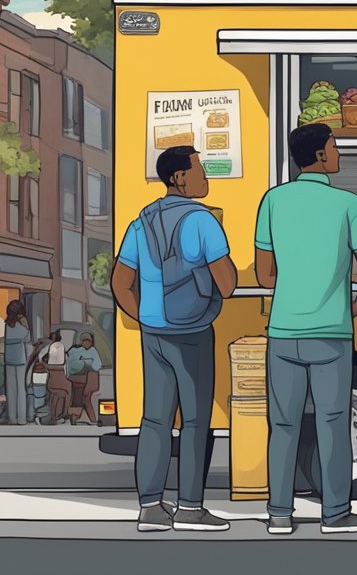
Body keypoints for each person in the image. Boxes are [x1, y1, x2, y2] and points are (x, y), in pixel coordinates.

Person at [255, 123, 357, 535]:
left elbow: (263, 275)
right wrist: (346, 311)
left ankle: (278, 515)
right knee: (333, 423)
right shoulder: (350, 205)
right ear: (322, 156)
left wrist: (297, 285)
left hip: (284, 332)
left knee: (283, 425)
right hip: (332, 334)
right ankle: (335, 514)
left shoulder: (272, 201)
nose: (339, 153)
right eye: (334, 146)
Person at [111, 145, 238, 534]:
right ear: (179, 177)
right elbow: (228, 284)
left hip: (154, 331)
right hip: (193, 331)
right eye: (200, 169)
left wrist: (147, 315)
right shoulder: (202, 221)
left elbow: (119, 282)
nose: (206, 177)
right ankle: (190, 508)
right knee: (196, 421)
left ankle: (150, 507)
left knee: (155, 419)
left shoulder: (141, 222)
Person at [2, 300, 32, 425]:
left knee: (11, 389)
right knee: (21, 389)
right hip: (20, 359)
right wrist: (26, 325)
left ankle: (12, 418)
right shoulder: (22, 328)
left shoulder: (4, 327)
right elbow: (28, 339)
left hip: (8, 359)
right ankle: (22, 418)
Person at [67, 334, 103, 425]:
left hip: (91, 379)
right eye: (84, 341)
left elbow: (98, 365)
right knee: (82, 398)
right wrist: (82, 363)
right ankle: (86, 418)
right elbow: (71, 365)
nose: (86, 343)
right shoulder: (75, 351)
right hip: (79, 379)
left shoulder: (93, 351)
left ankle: (82, 417)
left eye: (88, 341)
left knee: (85, 398)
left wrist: (86, 363)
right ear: (81, 342)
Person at [38, 331, 71, 424]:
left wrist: (46, 365)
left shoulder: (48, 347)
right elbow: (67, 363)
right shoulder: (62, 347)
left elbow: (40, 357)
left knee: (58, 394)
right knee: (66, 391)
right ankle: (61, 414)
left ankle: (57, 415)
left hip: (53, 375)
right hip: (58, 375)